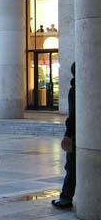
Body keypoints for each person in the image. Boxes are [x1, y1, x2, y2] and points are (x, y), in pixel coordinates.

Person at [52, 62, 75, 208]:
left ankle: (66, 198)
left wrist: (68, 134)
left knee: (71, 167)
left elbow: (73, 115)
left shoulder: (75, 90)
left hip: (78, 135)